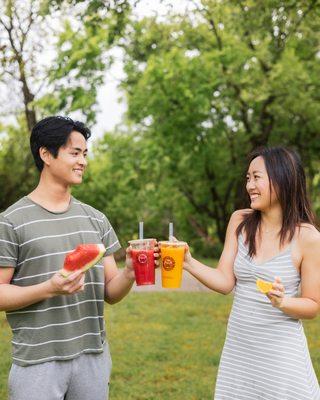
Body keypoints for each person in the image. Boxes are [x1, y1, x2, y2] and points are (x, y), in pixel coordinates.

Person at [0, 116, 157, 400]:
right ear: (46, 154)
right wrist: (49, 288)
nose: (83, 161)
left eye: (85, 154)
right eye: (74, 153)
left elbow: (110, 292)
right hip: (38, 362)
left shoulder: (96, 219)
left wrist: (130, 273)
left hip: (93, 357)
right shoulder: (11, 221)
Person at [182, 146, 320, 399]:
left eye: (257, 177)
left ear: (283, 179)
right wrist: (188, 262)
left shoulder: (308, 237)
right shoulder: (239, 221)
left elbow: (312, 305)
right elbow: (225, 282)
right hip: (240, 350)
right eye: (248, 178)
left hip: (280, 357)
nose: (249, 185)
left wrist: (283, 301)